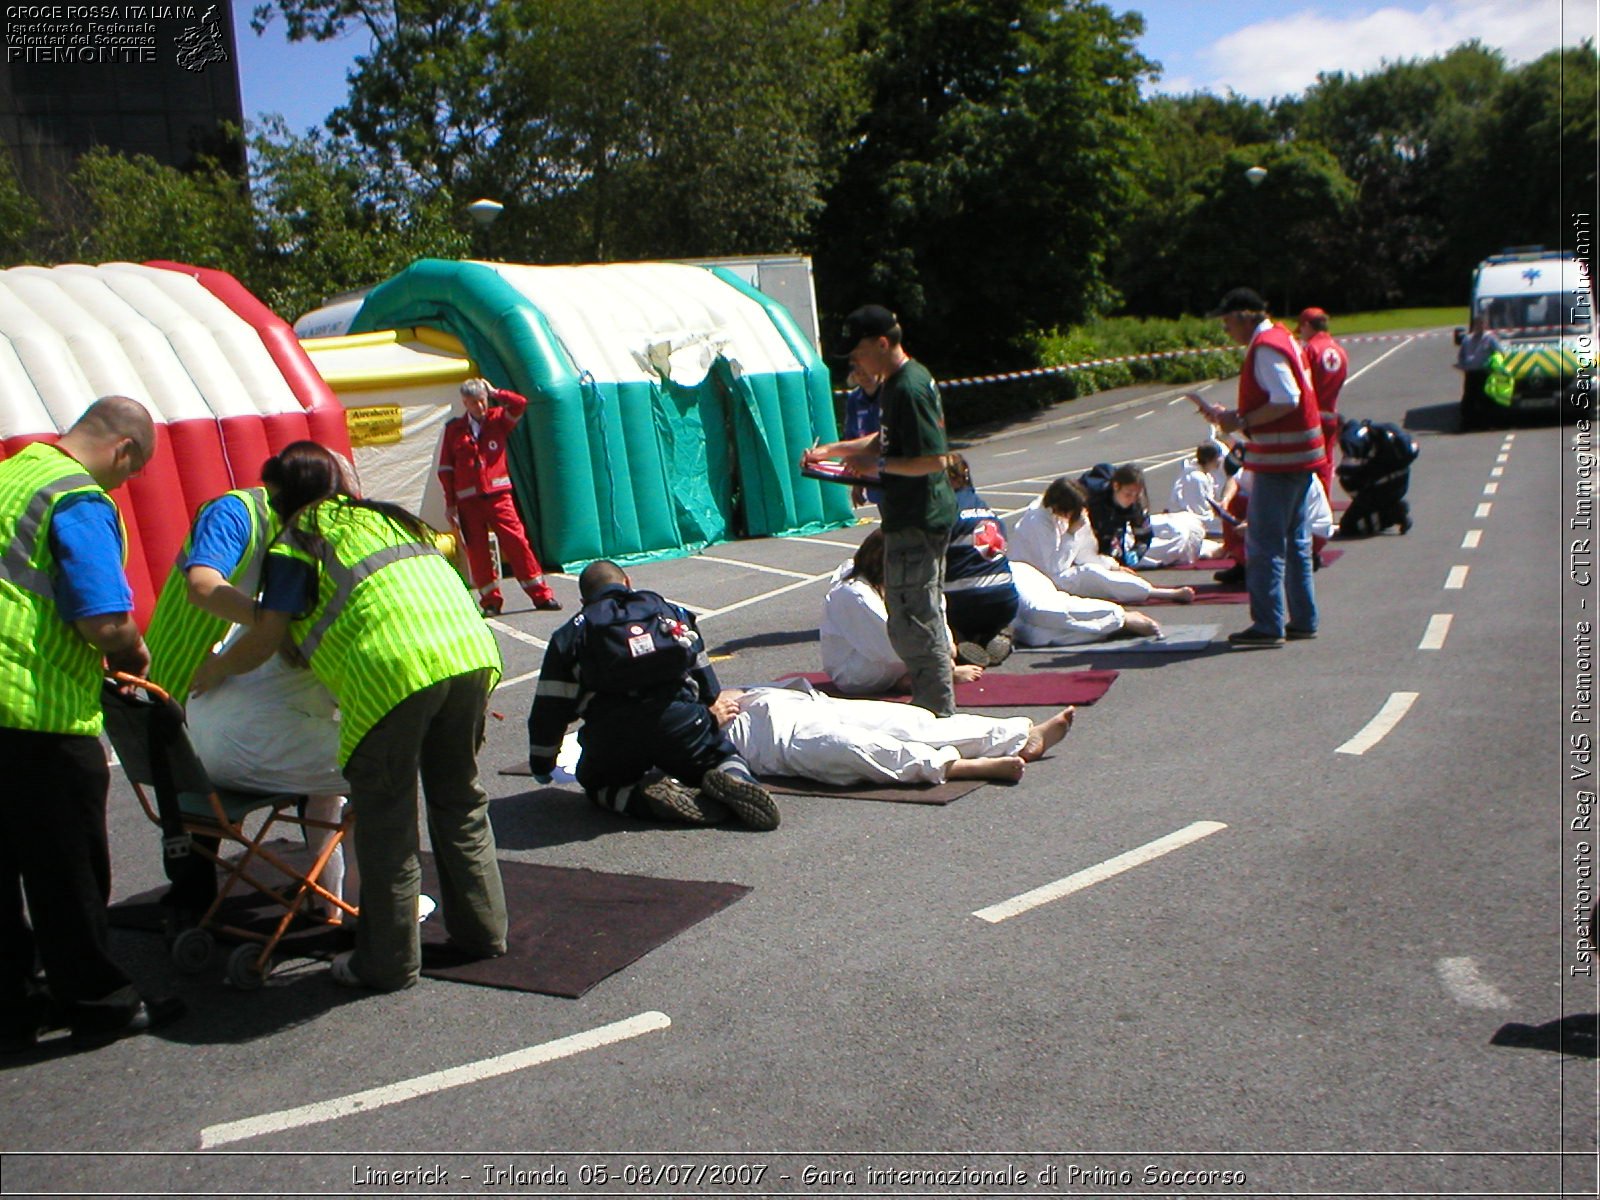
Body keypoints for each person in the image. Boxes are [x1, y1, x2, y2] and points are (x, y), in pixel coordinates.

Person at [190, 441, 507, 992]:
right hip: (471, 653)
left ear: (280, 496)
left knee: (386, 818)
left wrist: (216, 670)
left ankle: (386, 962)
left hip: (393, 672)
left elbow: (267, 638)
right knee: (459, 801)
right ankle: (483, 933)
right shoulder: (391, 519)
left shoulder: (298, 542)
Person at [0, 395, 186, 1051]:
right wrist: (133, 656)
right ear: (125, 451)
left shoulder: (11, 477)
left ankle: (14, 1003)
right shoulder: (74, 497)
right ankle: (96, 999)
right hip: (34, 710)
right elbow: (102, 618)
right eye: (131, 474)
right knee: (66, 871)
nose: (124, 485)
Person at [145, 481, 353, 923]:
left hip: (217, 682)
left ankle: (318, 885)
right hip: (183, 671)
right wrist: (271, 623)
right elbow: (202, 585)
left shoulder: (295, 539)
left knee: (292, 773)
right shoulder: (238, 513)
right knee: (344, 769)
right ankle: (198, 902)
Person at [526, 560, 780, 830]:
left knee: (596, 781)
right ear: (627, 582)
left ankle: (642, 799)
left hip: (614, 735)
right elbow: (704, 675)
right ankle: (737, 779)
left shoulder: (572, 634)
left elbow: (548, 712)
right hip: (680, 723)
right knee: (720, 757)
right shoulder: (668, 611)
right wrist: (707, 713)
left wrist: (542, 765)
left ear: (583, 599)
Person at [802, 305, 956, 716]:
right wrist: (831, 452)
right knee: (908, 614)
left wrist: (878, 467)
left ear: (882, 343)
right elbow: (882, 441)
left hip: (919, 517)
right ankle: (933, 699)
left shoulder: (909, 386)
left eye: (857, 353)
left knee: (912, 617)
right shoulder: (894, 385)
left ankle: (937, 706)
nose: (854, 363)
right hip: (908, 514)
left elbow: (933, 460)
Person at [1189, 287, 1324, 647]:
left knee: (1263, 544)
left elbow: (1286, 398)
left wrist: (1240, 420)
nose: (1226, 331)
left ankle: (1268, 625)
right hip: (1301, 455)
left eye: (1227, 322)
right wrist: (1236, 420)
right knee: (1296, 541)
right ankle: (1304, 618)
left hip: (1280, 460)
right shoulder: (1283, 338)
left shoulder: (1265, 348)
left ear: (1243, 317)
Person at [714, 680, 1076, 787]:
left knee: (910, 722)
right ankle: (955, 767)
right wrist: (708, 718)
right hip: (771, 739)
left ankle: (1016, 735)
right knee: (859, 747)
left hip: (791, 701)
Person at [438, 377, 561, 616]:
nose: (480, 407)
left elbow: (519, 403)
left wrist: (496, 391)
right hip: (467, 502)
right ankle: (491, 601)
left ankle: (541, 595)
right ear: (465, 403)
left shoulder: (498, 420)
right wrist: (450, 504)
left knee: (517, 543)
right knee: (478, 551)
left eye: (483, 401)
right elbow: (446, 469)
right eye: (474, 403)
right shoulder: (454, 429)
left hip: (498, 497)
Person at [821, 531, 984, 696]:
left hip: (886, 655)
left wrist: (946, 647)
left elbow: (934, 613)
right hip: (857, 672)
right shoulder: (854, 594)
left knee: (931, 628)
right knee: (933, 654)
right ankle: (930, 676)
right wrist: (940, 659)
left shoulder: (889, 581)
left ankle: (920, 675)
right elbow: (890, 645)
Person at [1009, 478, 1195, 606]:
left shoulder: (1059, 513)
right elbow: (1055, 568)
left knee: (1098, 571)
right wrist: (1071, 534)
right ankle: (1161, 593)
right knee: (1091, 573)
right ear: (1060, 507)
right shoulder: (1037, 522)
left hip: (1056, 571)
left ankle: (1150, 590)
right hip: (1038, 579)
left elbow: (1085, 552)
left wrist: (1111, 565)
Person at [942, 455, 1018, 668]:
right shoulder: (988, 511)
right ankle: (999, 632)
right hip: (1004, 601)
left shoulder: (944, 510)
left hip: (961, 604)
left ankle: (959, 639)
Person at [1297, 307, 1349, 497]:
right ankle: (1323, 509)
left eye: (1301, 329)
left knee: (1307, 467)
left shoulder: (1310, 350)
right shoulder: (1339, 351)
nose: (1301, 335)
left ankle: (1311, 510)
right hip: (1330, 415)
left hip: (1311, 417)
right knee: (1326, 465)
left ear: (1308, 326)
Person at [841, 365, 884, 508]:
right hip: (869, 469)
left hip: (893, 467)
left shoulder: (890, 393)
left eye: (867, 371)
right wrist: (857, 483)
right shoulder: (854, 399)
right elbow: (851, 437)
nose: (863, 376)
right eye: (858, 373)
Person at [1455, 312, 1504, 430]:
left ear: (1486, 325)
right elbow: (1461, 355)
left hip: (1484, 372)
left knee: (1486, 398)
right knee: (1469, 398)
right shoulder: (1467, 339)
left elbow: (1500, 352)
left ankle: (1488, 424)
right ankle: (1467, 423)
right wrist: (1462, 364)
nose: (1480, 326)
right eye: (1478, 324)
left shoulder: (1490, 339)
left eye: (1482, 323)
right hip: (1471, 373)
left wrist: (1493, 365)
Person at [1169, 441, 1228, 535]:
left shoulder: (1205, 474)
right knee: (1230, 526)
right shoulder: (1197, 479)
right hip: (1188, 522)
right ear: (1210, 460)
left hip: (1198, 517)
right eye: (1218, 457)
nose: (1221, 460)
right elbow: (1199, 513)